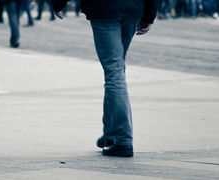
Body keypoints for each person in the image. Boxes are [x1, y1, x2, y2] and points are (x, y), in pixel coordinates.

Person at [52, 0, 158, 157]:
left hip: (104, 8)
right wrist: (149, 15)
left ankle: (123, 139)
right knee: (117, 68)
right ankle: (111, 133)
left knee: (114, 72)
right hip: (133, 8)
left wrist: (58, 3)